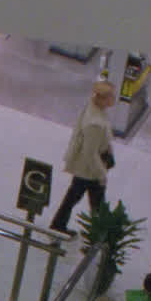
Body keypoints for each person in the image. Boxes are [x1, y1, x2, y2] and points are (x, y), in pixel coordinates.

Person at [48, 81, 118, 233]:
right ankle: (97, 234)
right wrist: (101, 174)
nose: (114, 98)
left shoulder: (94, 110)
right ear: (102, 98)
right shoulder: (95, 123)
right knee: (95, 203)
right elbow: (90, 153)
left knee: (75, 197)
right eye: (111, 96)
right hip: (89, 169)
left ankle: (59, 224)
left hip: (86, 167)